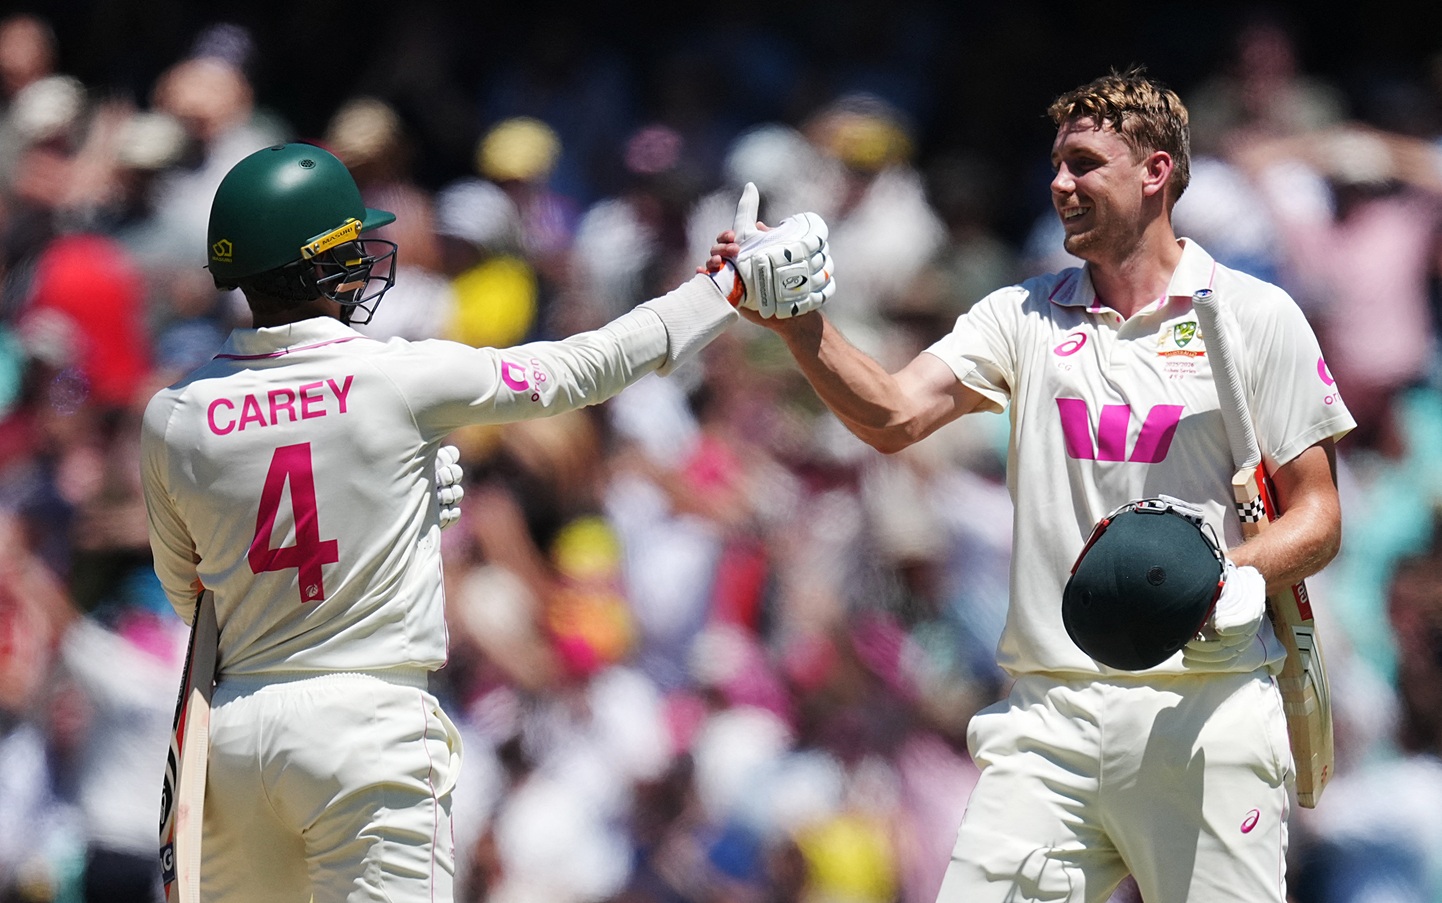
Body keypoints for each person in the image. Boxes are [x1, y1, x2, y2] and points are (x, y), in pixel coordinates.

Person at [710, 67, 1354, 903]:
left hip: (1207, 705)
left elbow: (1320, 516)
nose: (1059, 183)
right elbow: (895, 415)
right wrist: (800, 328)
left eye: (1084, 163)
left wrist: (1231, 577)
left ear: (1156, 171)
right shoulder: (1021, 314)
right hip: (1050, 714)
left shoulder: (1253, 316)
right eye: (1056, 163)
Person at [138, 142, 831, 902]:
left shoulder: (174, 415)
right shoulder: (396, 379)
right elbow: (584, 366)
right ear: (316, 264)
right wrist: (722, 286)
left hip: (233, 730)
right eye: (347, 247)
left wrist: (381, 513)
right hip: (369, 724)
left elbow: (194, 599)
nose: (365, 261)